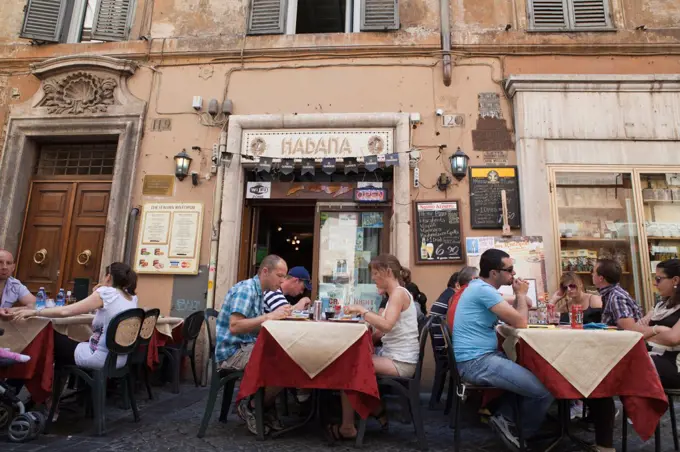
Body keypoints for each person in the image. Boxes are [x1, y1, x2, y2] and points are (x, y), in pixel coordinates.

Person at [454, 249, 553, 450]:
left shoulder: (479, 288)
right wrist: (521, 294)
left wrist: (520, 296)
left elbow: (518, 311)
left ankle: (505, 419)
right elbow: (521, 322)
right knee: (545, 391)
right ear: (494, 273)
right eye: (509, 270)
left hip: (477, 358)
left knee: (538, 373)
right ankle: (520, 435)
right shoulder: (484, 291)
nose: (513, 274)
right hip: (476, 362)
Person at [328, 254, 420, 440]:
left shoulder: (398, 294)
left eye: (375, 273)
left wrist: (363, 311)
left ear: (387, 272)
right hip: (395, 356)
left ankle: (349, 427)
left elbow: (386, 325)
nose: (373, 278)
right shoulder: (396, 295)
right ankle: (377, 410)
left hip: (401, 362)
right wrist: (367, 331)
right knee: (351, 362)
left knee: (348, 368)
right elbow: (383, 331)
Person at [214, 255, 290, 436]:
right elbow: (235, 326)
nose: (282, 281)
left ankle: (262, 406)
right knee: (285, 366)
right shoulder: (247, 290)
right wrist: (269, 317)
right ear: (265, 271)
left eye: (284, 277)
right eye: (280, 276)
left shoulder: (259, 292)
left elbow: (254, 326)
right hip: (232, 352)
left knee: (288, 357)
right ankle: (252, 405)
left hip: (245, 346)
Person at [13, 262, 139, 370]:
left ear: (108, 277)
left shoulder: (107, 293)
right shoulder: (131, 298)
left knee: (47, 337)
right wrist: (97, 292)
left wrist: (35, 312)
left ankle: (34, 388)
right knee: (66, 343)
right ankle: (66, 388)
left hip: (98, 356)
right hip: (120, 357)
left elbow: (65, 312)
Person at [639, 259, 680, 388]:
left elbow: (673, 338)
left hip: (675, 363)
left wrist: (650, 332)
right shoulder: (660, 305)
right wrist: (659, 329)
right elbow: (637, 330)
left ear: (675, 280)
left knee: (632, 367)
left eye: (658, 279)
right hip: (655, 355)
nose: (655, 284)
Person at [594, 259, 642, 329]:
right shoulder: (609, 294)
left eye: (593, 272)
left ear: (601, 278)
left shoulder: (616, 297)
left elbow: (630, 330)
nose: (591, 274)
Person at [0, 249, 36, 318]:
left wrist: (15, 309)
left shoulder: (15, 285)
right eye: (0, 262)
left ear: (13, 267)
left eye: (8, 263)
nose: (4, 267)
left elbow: (38, 304)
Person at [447, 266, 478, 331]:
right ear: (474, 279)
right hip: (469, 338)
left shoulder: (452, 298)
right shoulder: (473, 293)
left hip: (456, 337)